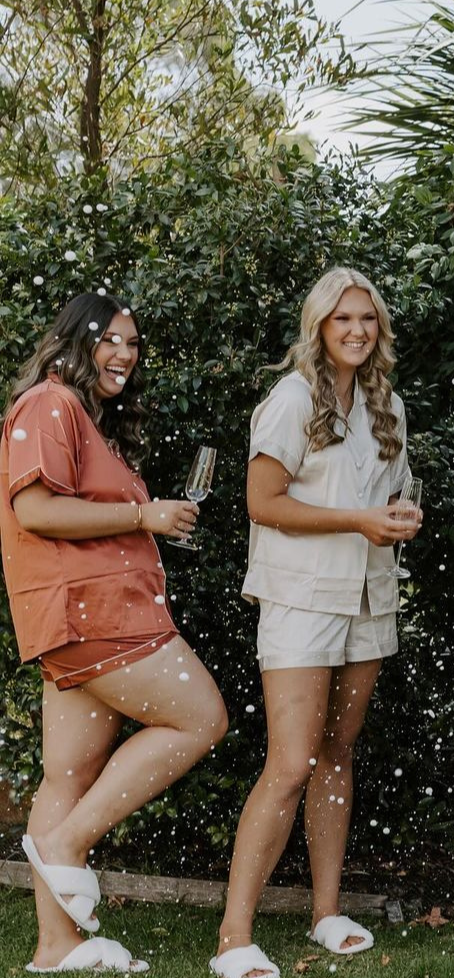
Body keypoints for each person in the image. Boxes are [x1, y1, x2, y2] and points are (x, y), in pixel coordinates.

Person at [0, 293, 228, 974]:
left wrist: (148, 518)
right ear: (75, 340)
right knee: (202, 718)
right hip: (93, 613)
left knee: (66, 775)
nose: (124, 354)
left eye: (132, 343)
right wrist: (143, 517)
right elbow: (36, 509)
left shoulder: (82, 417)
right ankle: (67, 845)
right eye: (110, 340)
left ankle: (56, 946)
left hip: (80, 616)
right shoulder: (50, 403)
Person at [211, 268, 419, 978]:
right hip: (301, 598)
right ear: (319, 327)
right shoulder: (293, 398)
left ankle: (326, 912)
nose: (356, 330)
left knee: (337, 752)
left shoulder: (386, 403)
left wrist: (401, 515)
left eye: (367, 318)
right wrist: (357, 520)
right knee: (291, 761)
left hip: (368, 596)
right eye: (342, 319)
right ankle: (234, 935)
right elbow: (262, 502)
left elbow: (394, 494)